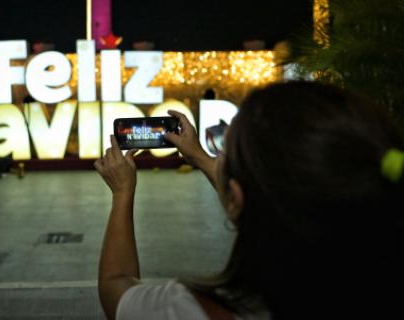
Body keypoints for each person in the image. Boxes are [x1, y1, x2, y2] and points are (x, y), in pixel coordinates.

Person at [94, 81, 404, 319]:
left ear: (236, 199)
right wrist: (201, 157)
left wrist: (123, 193)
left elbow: (115, 286)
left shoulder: (194, 309)